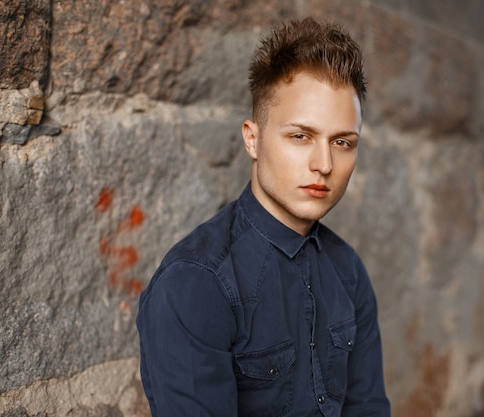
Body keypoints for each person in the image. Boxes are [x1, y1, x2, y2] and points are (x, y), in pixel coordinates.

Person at [136, 16, 391, 417]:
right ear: (252, 139)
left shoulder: (349, 272)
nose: (323, 164)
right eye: (300, 136)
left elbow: (368, 408)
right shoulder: (195, 283)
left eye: (342, 142)